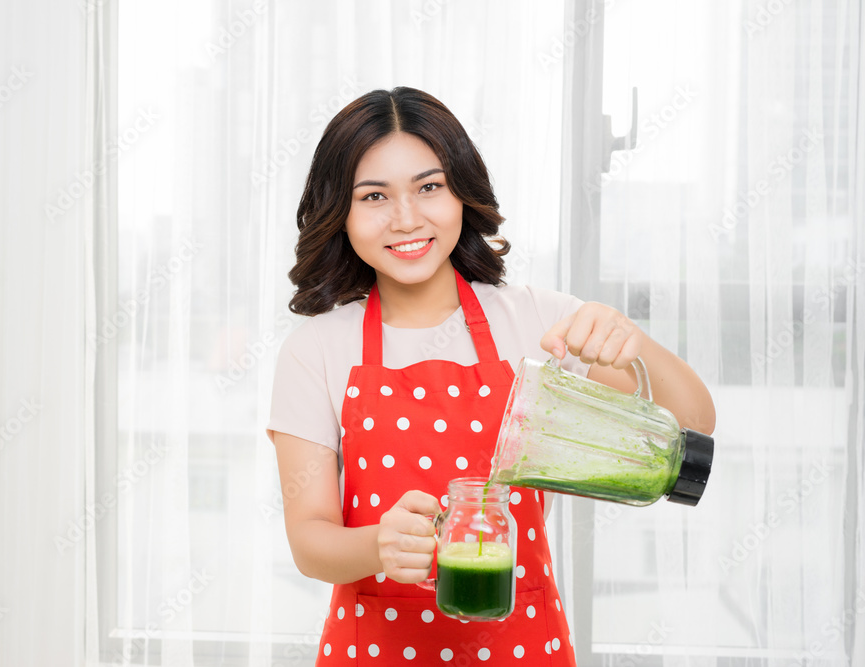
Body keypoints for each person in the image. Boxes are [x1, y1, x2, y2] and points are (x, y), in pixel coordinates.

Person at [266, 86, 715, 666]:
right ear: (341, 214)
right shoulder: (317, 350)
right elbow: (310, 540)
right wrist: (377, 544)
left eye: (429, 187)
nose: (406, 218)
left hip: (523, 647)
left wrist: (634, 345)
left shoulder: (537, 319)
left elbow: (694, 423)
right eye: (374, 195)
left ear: (462, 193)